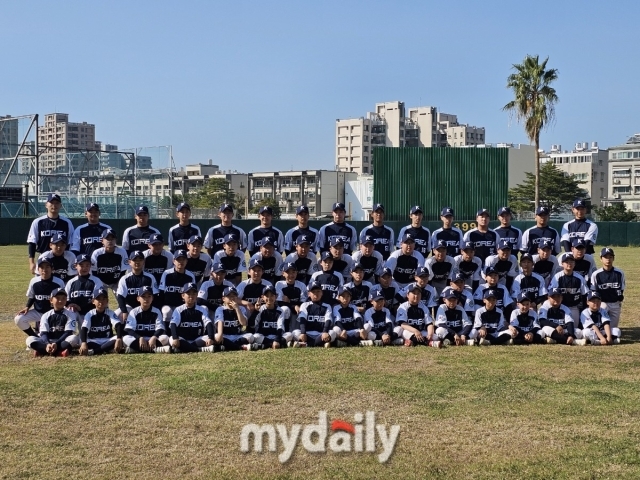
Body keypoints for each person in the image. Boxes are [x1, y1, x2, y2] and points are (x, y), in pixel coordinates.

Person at [15, 257, 65, 337]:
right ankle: (34, 336)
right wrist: (27, 307)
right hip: (38, 312)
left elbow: (63, 298)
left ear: (52, 269)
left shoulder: (58, 282)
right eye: (42, 267)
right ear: (38, 269)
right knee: (19, 318)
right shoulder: (34, 281)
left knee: (52, 336)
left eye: (47, 267)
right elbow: (32, 296)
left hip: (53, 313)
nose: (44, 269)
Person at [27, 193, 75, 274]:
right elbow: (32, 243)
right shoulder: (38, 222)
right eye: (51, 203)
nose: (54, 205)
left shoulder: (66, 223)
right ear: (46, 205)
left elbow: (71, 243)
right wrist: (31, 262)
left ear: (60, 205)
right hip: (43, 258)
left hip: (62, 259)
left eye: (57, 203)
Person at [26, 288, 79, 357]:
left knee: (74, 338)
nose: (60, 301)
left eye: (63, 298)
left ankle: (42, 351)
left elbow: (68, 332)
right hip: (48, 341)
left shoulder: (70, 314)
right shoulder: (46, 315)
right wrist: (47, 344)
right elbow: (44, 333)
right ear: (51, 300)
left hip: (61, 341)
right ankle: (58, 352)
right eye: (57, 298)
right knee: (29, 339)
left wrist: (56, 343)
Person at [169, 283, 218, 353]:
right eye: (188, 293)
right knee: (171, 339)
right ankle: (199, 349)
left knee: (213, 337)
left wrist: (210, 337)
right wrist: (175, 338)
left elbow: (208, 323)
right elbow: (173, 324)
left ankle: (185, 348)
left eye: (194, 293)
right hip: (183, 339)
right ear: (183, 295)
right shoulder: (178, 309)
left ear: (197, 295)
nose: (191, 296)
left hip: (197, 340)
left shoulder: (201, 309)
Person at [123, 286, 171, 353]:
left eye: (149, 296)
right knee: (125, 338)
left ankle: (135, 350)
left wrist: (154, 337)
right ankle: (157, 350)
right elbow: (129, 329)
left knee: (165, 338)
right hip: (139, 339)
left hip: (152, 338)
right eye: (143, 296)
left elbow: (160, 329)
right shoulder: (134, 311)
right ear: (138, 298)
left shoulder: (156, 311)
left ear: (152, 298)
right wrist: (140, 337)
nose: (146, 299)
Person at [115, 251, 159, 323]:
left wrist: (150, 310)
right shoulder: (124, 279)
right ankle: (123, 333)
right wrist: (124, 311)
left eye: (140, 260)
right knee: (118, 314)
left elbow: (155, 296)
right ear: (129, 262)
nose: (137, 262)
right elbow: (120, 297)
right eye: (135, 260)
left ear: (144, 262)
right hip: (130, 307)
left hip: (146, 307)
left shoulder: (150, 277)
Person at [158, 250, 197, 330]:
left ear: (187, 261)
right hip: (168, 305)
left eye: (183, 259)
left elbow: (194, 293)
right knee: (166, 311)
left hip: (183, 305)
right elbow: (161, 292)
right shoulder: (167, 274)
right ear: (173, 261)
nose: (181, 262)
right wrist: (160, 307)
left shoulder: (190, 276)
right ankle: (167, 333)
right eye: (178, 259)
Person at [78, 287, 123, 356]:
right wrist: (84, 343)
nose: (101, 301)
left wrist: (119, 339)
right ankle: (107, 349)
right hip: (93, 340)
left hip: (107, 340)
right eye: (98, 299)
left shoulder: (110, 313)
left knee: (121, 338)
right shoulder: (90, 314)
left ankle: (94, 351)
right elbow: (84, 329)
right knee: (81, 340)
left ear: (107, 301)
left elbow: (118, 325)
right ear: (93, 301)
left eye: (104, 299)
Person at [394, 283, 440, 348]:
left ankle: (411, 341)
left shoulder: (423, 307)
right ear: (407, 295)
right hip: (408, 331)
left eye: (418, 293)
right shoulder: (403, 307)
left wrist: (430, 334)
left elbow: (429, 323)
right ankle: (428, 343)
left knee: (435, 337)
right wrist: (415, 331)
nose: (416, 295)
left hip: (420, 331)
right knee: (404, 332)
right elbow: (403, 324)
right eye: (414, 293)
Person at [292, 282, 336, 348]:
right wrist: (303, 333)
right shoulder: (305, 305)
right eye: (313, 292)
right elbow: (302, 319)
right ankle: (321, 343)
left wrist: (325, 332)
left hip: (321, 334)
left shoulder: (327, 306)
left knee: (332, 333)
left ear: (322, 293)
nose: (316, 294)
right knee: (295, 332)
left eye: (318, 291)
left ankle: (306, 345)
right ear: (309, 294)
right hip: (307, 334)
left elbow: (328, 320)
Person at [590, 247, 625, 329]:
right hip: (602, 303)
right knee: (602, 327)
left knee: (613, 330)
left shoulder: (619, 273)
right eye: (605, 257)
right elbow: (593, 291)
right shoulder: (596, 274)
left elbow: (622, 289)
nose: (608, 259)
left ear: (613, 258)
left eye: (610, 257)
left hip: (615, 303)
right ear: (601, 259)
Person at [549, 254, 588, 324]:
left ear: (574, 263)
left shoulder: (579, 278)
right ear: (562, 264)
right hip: (560, 307)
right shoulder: (557, 277)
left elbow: (585, 294)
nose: (569, 264)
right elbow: (551, 293)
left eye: (571, 262)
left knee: (574, 328)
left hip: (574, 307)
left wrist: (583, 309)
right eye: (567, 262)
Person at [65, 254, 104, 321]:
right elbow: (66, 299)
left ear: (90, 266)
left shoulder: (96, 281)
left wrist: (81, 308)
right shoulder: (71, 282)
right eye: (81, 265)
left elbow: (98, 300)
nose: (84, 268)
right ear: (75, 266)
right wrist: (71, 305)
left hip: (90, 311)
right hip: (74, 311)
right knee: (68, 311)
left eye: (87, 265)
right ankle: (69, 331)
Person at [213, 286, 254, 351]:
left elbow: (243, 323)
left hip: (237, 336)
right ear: (223, 299)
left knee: (250, 337)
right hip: (225, 336)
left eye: (234, 296)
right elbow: (220, 321)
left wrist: (237, 309)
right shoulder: (220, 309)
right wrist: (220, 335)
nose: (232, 298)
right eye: (229, 296)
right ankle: (240, 347)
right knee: (216, 337)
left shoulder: (241, 308)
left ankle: (227, 346)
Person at [236, 259, 272, 331]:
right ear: (249, 272)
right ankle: (238, 329)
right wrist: (246, 303)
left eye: (259, 270)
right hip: (248, 311)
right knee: (240, 308)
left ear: (262, 272)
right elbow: (234, 299)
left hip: (262, 310)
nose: (256, 273)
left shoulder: (267, 284)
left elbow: (273, 301)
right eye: (254, 270)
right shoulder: (243, 284)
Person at [91, 229, 129, 293]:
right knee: (101, 300)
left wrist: (119, 282)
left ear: (116, 240)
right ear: (102, 240)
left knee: (122, 298)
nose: (110, 241)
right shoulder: (97, 253)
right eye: (107, 238)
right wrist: (99, 283)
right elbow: (94, 271)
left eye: (112, 238)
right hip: (101, 281)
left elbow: (123, 270)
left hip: (117, 281)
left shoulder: (122, 252)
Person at [275, 262, 308, 332]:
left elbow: (303, 303)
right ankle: (285, 332)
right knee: (285, 309)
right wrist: (294, 305)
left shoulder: (302, 285)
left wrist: (289, 302)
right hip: (285, 313)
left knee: (296, 331)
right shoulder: (279, 284)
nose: (291, 275)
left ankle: (303, 332)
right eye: (288, 272)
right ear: (283, 273)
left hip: (297, 312)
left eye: (293, 272)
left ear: (297, 273)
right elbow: (280, 303)